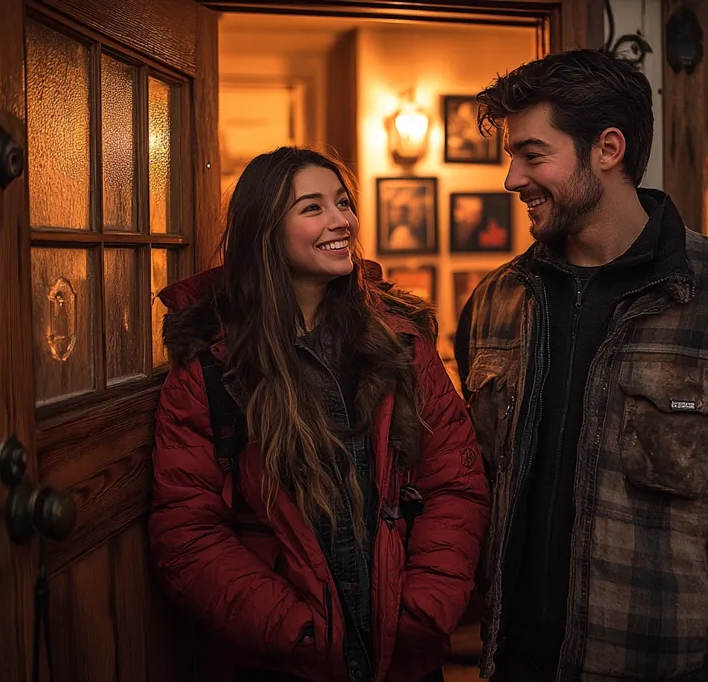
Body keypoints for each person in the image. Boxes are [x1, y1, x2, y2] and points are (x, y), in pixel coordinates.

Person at [454, 49, 708, 682]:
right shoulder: (495, 302)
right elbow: (467, 479)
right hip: (510, 665)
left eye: (533, 155)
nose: (512, 179)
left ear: (607, 150)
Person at [150, 146, 489, 682]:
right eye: (313, 208)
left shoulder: (399, 343)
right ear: (265, 231)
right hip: (286, 662)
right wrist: (293, 630)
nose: (342, 221)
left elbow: (456, 483)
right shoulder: (212, 366)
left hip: (403, 652)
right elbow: (187, 533)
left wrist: (423, 608)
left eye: (343, 203)